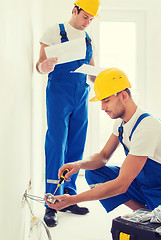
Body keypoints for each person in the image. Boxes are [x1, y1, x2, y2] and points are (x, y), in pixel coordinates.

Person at [45, 68, 161, 214]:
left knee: (160, 229)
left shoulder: (147, 128)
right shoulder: (121, 123)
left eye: (106, 101)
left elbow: (121, 185)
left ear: (123, 95)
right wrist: (79, 164)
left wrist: (72, 200)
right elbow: (102, 157)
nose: (102, 107)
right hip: (143, 184)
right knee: (94, 173)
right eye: (101, 101)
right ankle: (144, 212)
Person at [35, 0, 101, 227]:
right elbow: (39, 65)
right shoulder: (54, 31)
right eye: (85, 17)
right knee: (56, 144)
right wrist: (45, 66)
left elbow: (92, 71)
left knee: (76, 145)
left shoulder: (88, 38)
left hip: (81, 93)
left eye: (91, 19)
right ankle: (51, 202)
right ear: (75, 10)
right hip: (59, 93)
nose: (87, 23)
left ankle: (69, 197)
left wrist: (103, 77)